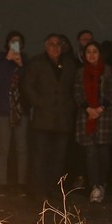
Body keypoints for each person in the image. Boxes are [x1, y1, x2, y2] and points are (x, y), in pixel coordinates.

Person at [23, 34, 78, 203]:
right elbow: (28, 85)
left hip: (63, 118)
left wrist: (70, 105)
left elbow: (74, 86)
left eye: (58, 44)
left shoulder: (69, 64)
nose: (55, 47)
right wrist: (38, 103)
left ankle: (53, 189)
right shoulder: (37, 62)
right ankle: (38, 190)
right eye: (52, 44)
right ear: (46, 45)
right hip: (43, 118)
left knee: (58, 157)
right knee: (40, 156)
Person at [74, 40, 112, 202]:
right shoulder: (80, 72)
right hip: (86, 116)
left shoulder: (108, 71)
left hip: (104, 116)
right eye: (88, 52)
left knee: (103, 153)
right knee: (90, 153)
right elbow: (77, 92)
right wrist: (88, 109)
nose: (91, 55)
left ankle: (102, 183)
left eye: (95, 51)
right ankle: (95, 186)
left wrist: (100, 108)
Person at [0, 31, 29, 196]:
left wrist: (21, 66)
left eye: (18, 42)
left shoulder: (26, 61)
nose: (15, 44)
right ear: (7, 43)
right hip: (3, 110)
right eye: (12, 41)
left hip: (21, 110)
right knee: (2, 148)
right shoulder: (0, 59)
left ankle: (21, 183)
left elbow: (29, 82)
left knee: (22, 148)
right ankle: (2, 184)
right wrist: (7, 60)